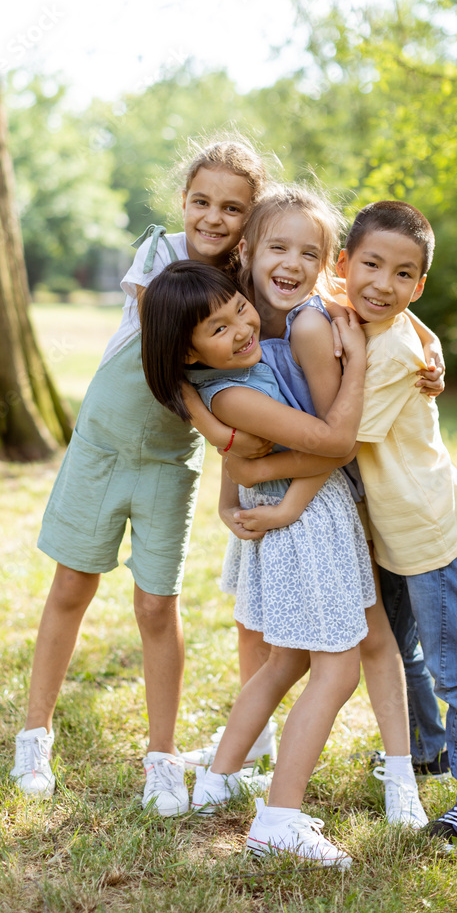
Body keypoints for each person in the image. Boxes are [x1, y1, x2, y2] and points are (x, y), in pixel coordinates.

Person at [231, 199, 457, 852]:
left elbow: (338, 446)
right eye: (371, 266)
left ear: (418, 285)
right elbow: (369, 304)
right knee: (397, 647)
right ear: (344, 265)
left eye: (402, 275)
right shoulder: (360, 309)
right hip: (383, 534)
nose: (382, 284)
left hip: (426, 535)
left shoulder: (387, 354)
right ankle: (424, 750)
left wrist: (258, 471)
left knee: (452, 669)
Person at [10, 139, 273, 816]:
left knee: (157, 604)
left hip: (165, 461)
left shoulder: (248, 285)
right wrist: (210, 421)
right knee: (73, 582)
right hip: (102, 442)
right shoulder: (158, 255)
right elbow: (167, 353)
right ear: (183, 201)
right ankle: (34, 734)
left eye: (232, 208)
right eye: (201, 202)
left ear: (251, 217)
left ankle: (161, 759)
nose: (212, 217)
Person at [184, 186, 435, 828]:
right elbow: (286, 439)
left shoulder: (313, 320)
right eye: (278, 247)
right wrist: (241, 489)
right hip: (305, 506)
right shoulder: (241, 320)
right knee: (330, 652)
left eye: (309, 252)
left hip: (318, 498)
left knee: (356, 644)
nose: (291, 263)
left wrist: (430, 346)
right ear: (248, 251)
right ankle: (260, 792)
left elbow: (332, 440)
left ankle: (397, 774)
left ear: (329, 263)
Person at [140, 259, 373, 866]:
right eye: (216, 329)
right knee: (338, 670)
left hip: (299, 519)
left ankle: (217, 780)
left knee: (285, 661)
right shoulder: (236, 395)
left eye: (237, 308)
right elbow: (337, 443)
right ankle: (279, 818)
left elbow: (248, 457)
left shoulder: (236, 374)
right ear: (190, 357)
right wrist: (361, 366)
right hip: (304, 527)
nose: (241, 327)